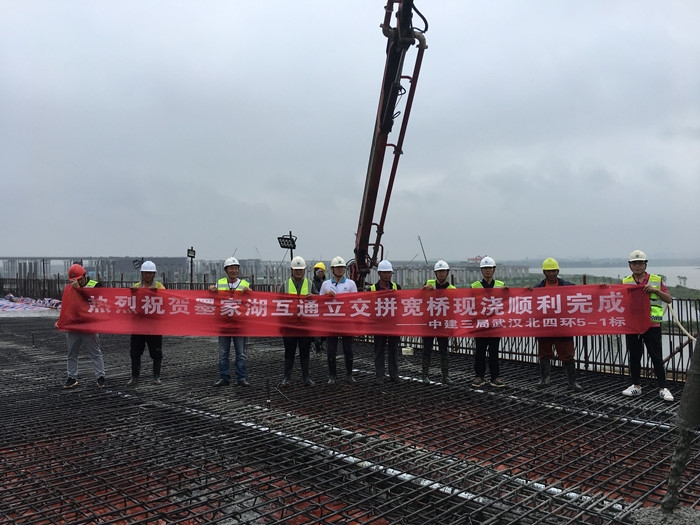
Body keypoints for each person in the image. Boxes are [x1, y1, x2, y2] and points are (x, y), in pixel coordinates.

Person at [621, 250, 674, 402]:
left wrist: (655, 290)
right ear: (630, 265)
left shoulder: (656, 280)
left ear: (645, 264)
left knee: (656, 356)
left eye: (640, 263)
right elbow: (616, 298)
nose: (637, 266)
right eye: (634, 263)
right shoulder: (625, 282)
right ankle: (636, 386)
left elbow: (668, 299)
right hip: (633, 325)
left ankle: (663, 388)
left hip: (652, 325)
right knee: (634, 356)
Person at [530, 258, 583, 392]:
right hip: (545, 326)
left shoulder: (568, 286)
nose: (551, 274)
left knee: (567, 354)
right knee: (544, 353)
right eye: (549, 271)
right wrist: (526, 291)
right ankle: (545, 379)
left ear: (558, 271)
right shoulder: (537, 288)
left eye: (553, 271)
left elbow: (584, 293)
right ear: (544, 272)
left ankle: (572, 382)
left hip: (562, 326)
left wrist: (600, 288)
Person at [58, 264, 106, 389]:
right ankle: (71, 377)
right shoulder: (70, 289)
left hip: (89, 325)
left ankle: (100, 376)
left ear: (85, 276)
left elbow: (96, 301)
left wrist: (79, 289)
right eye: (75, 280)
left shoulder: (95, 285)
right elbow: (67, 306)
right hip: (73, 325)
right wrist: (61, 321)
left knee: (95, 352)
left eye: (79, 279)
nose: (77, 282)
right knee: (72, 353)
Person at [208, 257, 251, 387]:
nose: (234, 270)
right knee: (223, 354)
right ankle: (224, 377)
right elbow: (211, 298)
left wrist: (250, 293)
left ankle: (241, 378)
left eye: (236, 268)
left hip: (239, 325)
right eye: (231, 268)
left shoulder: (245, 284)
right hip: (224, 325)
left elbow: (252, 300)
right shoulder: (220, 283)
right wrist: (211, 289)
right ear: (226, 270)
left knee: (241, 354)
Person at [319, 256, 358, 384]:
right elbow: (320, 302)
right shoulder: (326, 284)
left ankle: (349, 374)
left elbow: (355, 301)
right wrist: (326, 295)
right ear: (332, 269)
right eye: (337, 268)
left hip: (346, 322)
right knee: (331, 350)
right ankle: (332, 375)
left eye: (342, 267)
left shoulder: (350, 284)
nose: (340, 270)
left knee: (348, 349)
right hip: (331, 322)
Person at [471, 256, 507, 388]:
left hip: (494, 325)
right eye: (485, 268)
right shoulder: (474, 286)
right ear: (481, 270)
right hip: (480, 325)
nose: (487, 271)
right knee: (480, 352)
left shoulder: (501, 285)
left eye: (489, 268)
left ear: (494, 269)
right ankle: (479, 376)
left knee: (494, 352)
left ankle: (495, 377)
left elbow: (508, 302)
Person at [127, 261, 165, 386]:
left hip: (154, 326)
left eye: (150, 273)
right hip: (138, 326)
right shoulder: (136, 287)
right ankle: (135, 377)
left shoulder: (159, 287)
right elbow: (129, 304)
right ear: (142, 274)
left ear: (154, 274)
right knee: (135, 352)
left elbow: (166, 301)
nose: (148, 275)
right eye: (145, 273)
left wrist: (158, 293)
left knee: (156, 353)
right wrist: (132, 293)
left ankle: (156, 376)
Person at [280, 256, 315, 387]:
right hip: (290, 326)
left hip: (305, 325)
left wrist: (315, 297)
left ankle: (306, 378)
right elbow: (278, 304)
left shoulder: (310, 284)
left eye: (301, 269)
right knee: (289, 352)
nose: (299, 272)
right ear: (292, 270)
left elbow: (319, 301)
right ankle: (286, 378)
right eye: (296, 269)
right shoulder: (285, 285)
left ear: (304, 270)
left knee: (305, 353)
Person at [421, 260, 455, 384]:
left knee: (444, 351)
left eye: (443, 271)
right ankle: (425, 375)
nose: (441, 274)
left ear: (447, 273)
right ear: (435, 273)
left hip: (443, 324)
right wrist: (423, 289)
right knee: (426, 350)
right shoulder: (429, 284)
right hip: (429, 324)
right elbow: (418, 298)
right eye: (439, 271)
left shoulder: (452, 289)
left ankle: (445, 376)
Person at [371, 260, 402, 383]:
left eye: (388, 273)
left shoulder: (396, 287)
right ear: (379, 273)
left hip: (393, 324)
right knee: (379, 349)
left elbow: (401, 304)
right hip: (379, 324)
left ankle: (394, 374)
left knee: (393, 349)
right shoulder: (372, 289)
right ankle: (380, 375)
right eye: (384, 273)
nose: (387, 275)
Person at [311, 262, 328, 355]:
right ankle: (317, 347)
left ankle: (322, 345)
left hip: (323, 310)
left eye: (322, 272)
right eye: (319, 272)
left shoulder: (325, 284)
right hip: (315, 310)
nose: (321, 274)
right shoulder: (312, 284)